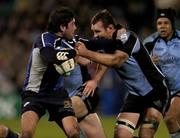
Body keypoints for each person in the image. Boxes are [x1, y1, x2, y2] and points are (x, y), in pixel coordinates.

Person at [75, 9, 170, 138]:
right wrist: (95, 80)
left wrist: (87, 53)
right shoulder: (108, 43)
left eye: (97, 31)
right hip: (136, 95)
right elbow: (104, 60)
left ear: (110, 28)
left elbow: (116, 60)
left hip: (156, 91)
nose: (95, 36)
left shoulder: (128, 37)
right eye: (93, 32)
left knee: (146, 134)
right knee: (121, 135)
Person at [20, 7, 81, 138]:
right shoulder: (44, 38)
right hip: (35, 93)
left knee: (74, 132)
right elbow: (49, 56)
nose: (75, 27)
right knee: (26, 134)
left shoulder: (71, 41)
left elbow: (94, 44)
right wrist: (74, 52)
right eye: (73, 24)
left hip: (58, 94)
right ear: (63, 27)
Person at [55, 38, 107, 138]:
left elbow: (104, 52)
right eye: (73, 23)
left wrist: (95, 80)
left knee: (62, 109)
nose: (75, 27)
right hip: (66, 98)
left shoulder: (78, 42)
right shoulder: (47, 46)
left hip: (84, 93)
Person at [143, 8, 180, 138]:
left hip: (178, 90)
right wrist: (148, 63)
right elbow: (138, 68)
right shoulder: (148, 43)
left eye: (166, 23)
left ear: (172, 24)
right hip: (160, 92)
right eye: (159, 23)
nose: (162, 26)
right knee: (147, 129)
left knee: (170, 119)